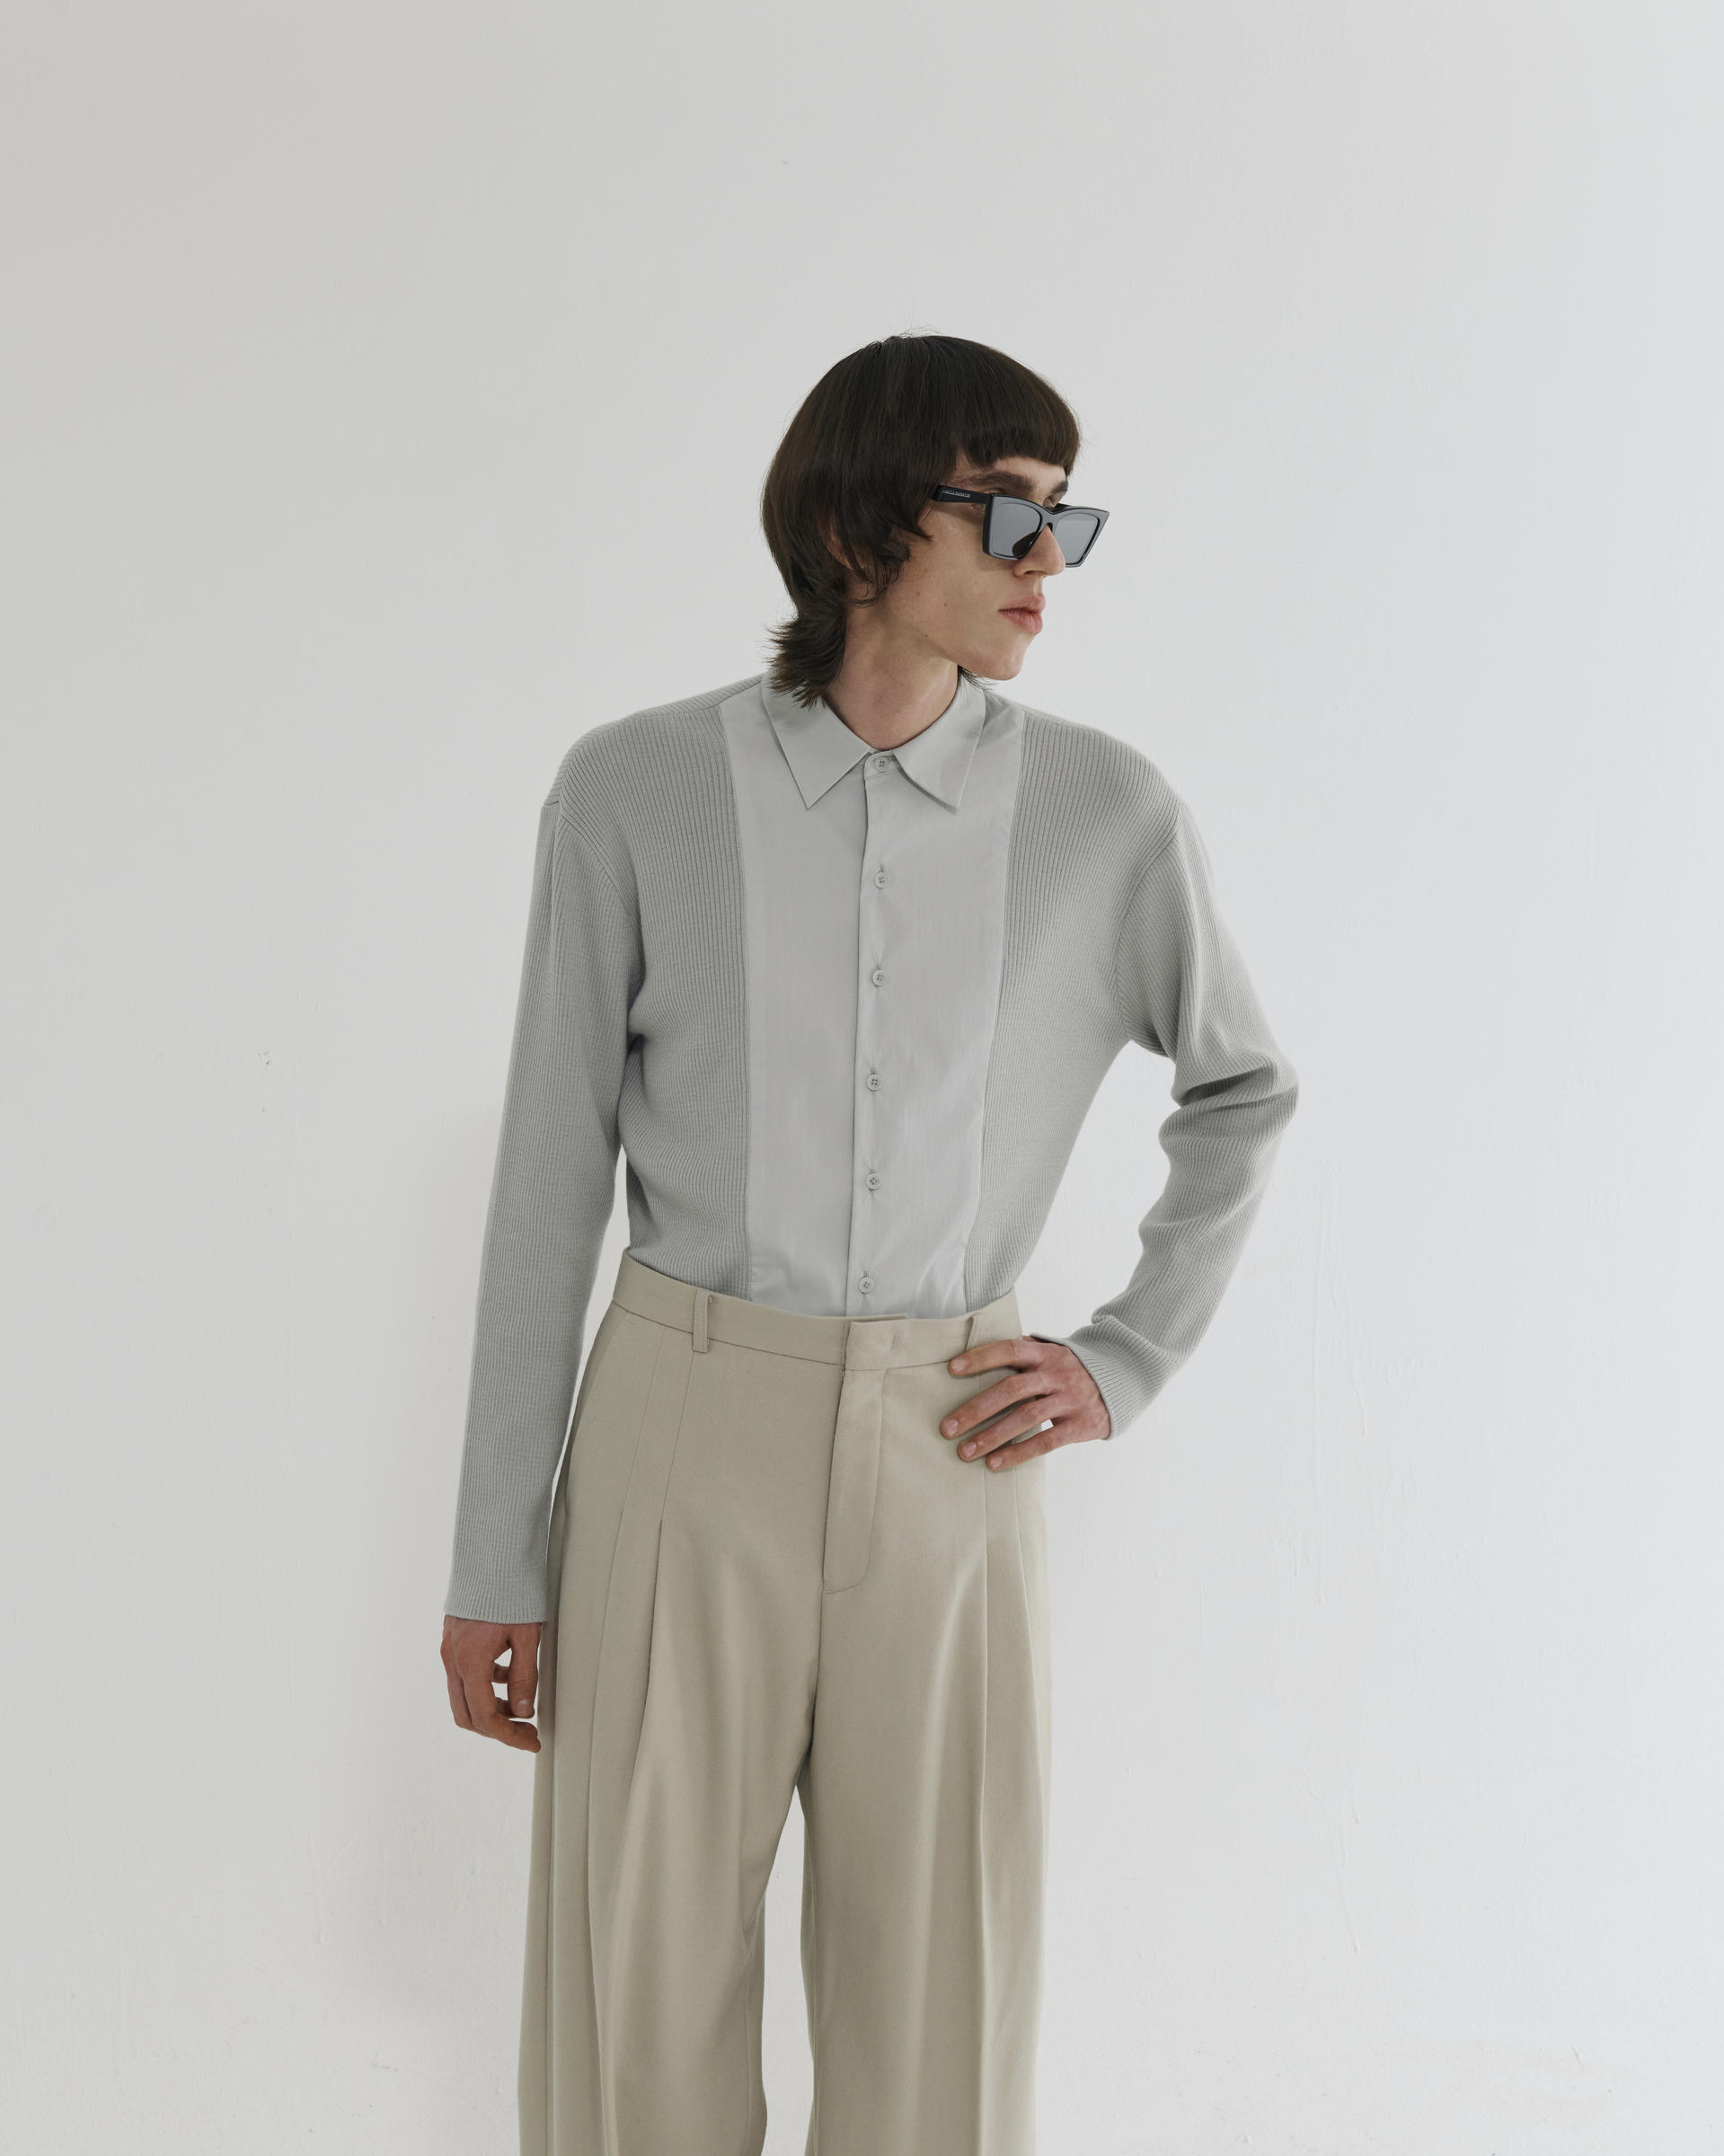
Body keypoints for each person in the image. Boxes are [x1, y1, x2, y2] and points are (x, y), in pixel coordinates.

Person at [438, 331, 1299, 2156]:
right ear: (854, 530)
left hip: (953, 1443)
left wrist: (1124, 1356)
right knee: (634, 2008)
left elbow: (1243, 1087)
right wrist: (493, 1555)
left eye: (1065, 519)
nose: (1046, 563)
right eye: (1003, 512)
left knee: (939, 2023)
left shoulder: (1106, 813)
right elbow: (546, 1178)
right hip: (681, 1436)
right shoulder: (634, 792)